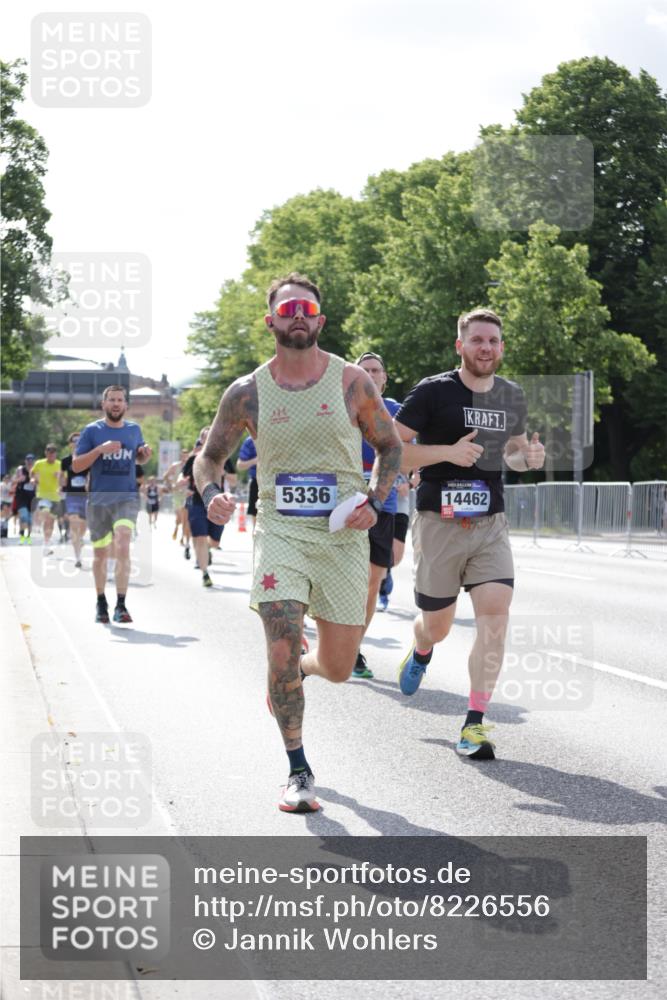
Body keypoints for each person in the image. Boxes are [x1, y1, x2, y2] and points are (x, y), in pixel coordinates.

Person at [194, 272, 401, 813]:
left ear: (321, 319)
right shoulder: (246, 392)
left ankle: (297, 673)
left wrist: (375, 502)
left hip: (342, 535)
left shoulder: (351, 381)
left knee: (335, 666)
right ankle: (298, 769)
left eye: (307, 308)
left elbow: (390, 447)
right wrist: (213, 491)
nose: (299, 316)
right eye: (288, 310)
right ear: (271, 322)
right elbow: (209, 457)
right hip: (280, 532)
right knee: (281, 640)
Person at [395, 308, 545, 760]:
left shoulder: (511, 396)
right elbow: (392, 450)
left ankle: (474, 724)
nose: (486, 348)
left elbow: (514, 456)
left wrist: (530, 458)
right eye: (477, 340)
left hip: (490, 525)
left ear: (501, 348)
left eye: (494, 341)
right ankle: (421, 648)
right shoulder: (432, 392)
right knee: (438, 627)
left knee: (495, 618)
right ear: (460, 346)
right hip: (438, 525)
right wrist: (448, 452)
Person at [73, 385, 152, 623]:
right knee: (100, 555)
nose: (116, 404)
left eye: (120, 400)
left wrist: (143, 455)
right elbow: (77, 466)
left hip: (126, 498)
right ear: (103, 404)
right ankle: (100, 601)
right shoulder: (92, 431)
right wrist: (99, 449)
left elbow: (138, 456)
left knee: (123, 544)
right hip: (98, 501)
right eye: (112, 400)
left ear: (126, 405)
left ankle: (121, 604)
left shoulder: (133, 429)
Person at [352, 352, 402, 679]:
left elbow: (410, 449)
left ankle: (353, 647)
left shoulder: (398, 411)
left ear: (384, 378)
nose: (371, 375)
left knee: (373, 581)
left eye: (376, 371)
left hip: (384, 502)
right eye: (364, 370)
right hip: (345, 500)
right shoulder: (342, 408)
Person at [180, 429, 236, 587]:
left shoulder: (225, 458)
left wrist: (224, 472)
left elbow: (234, 481)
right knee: (200, 537)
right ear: (202, 440)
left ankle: (208, 550)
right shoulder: (194, 459)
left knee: (215, 541)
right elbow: (183, 476)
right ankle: (205, 573)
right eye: (206, 437)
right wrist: (183, 486)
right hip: (196, 501)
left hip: (219, 502)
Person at [59, 431, 88, 568]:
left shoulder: (88, 458)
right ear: (70, 444)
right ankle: (78, 558)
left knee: (83, 526)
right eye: (74, 440)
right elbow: (61, 478)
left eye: (79, 440)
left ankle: (80, 538)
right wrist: (61, 482)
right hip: (71, 496)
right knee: (74, 523)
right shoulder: (65, 461)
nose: (77, 442)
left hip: (86, 496)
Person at [31, 444, 62, 556]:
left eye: (53, 454)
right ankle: (38, 521)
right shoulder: (39, 463)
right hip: (43, 495)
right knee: (47, 516)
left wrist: (60, 476)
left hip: (55, 497)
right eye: (49, 454)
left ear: (55, 454)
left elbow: (64, 480)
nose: (51, 456)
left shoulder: (60, 464)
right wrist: (33, 479)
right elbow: (32, 473)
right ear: (46, 453)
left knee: (51, 522)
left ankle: (46, 544)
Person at [236, 434, 258, 530]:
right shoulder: (250, 441)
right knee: (256, 514)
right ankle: (257, 542)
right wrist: (255, 461)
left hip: (280, 480)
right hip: (257, 482)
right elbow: (239, 465)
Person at [13, 456, 36, 543]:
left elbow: (40, 482)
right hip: (21, 497)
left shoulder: (36, 470)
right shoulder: (20, 469)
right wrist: (19, 479)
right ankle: (22, 537)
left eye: (31, 461)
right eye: (28, 461)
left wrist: (35, 480)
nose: (29, 463)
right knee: (23, 516)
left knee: (30, 519)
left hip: (32, 498)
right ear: (25, 461)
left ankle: (28, 537)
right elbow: (13, 480)